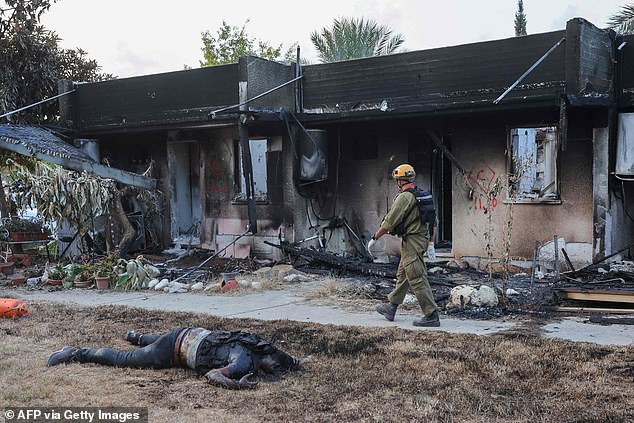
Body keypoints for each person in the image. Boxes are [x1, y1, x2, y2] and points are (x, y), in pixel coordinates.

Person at [47, 327, 306, 389]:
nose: (273, 368)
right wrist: (238, 384)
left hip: (187, 333)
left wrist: (296, 364)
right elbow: (212, 375)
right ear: (265, 357)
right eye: (275, 365)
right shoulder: (242, 362)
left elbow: (288, 360)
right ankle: (76, 352)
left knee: (157, 341)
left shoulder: (252, 345)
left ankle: (137, 336)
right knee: (125, 359)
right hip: (174, 349)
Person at [367, 163, 440, 327]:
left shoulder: (404, 197)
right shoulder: (421, 195)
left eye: (396, 180)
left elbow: (389, 222)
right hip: (419, 239)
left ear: (399, 181)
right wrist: (431, 244)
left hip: (413, 240)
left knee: (416, 276)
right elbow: (432, 221)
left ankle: (431, 315)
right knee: (404, 273)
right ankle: (391, 307)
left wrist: (374, 239)